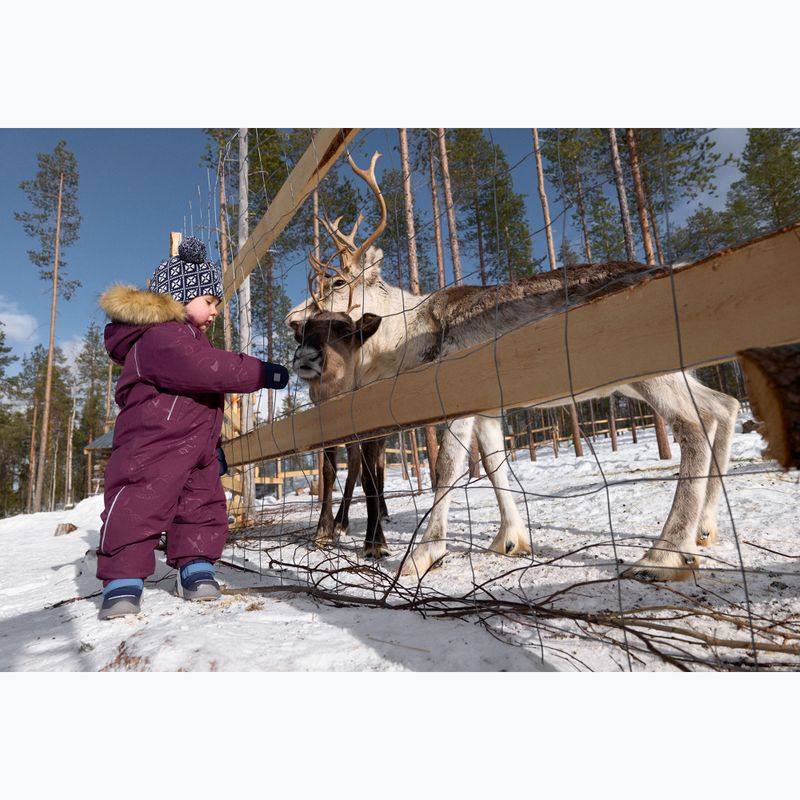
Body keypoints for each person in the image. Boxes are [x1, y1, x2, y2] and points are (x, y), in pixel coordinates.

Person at [95, 237, 289, 620]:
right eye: (209, 301)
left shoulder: (186, 337)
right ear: (179, 298)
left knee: (202, 505)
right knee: (138, 504)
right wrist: (261, 372)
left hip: (194, 447)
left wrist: (208, 445)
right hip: (154, 444)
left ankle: (196, 566)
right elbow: (205, 369)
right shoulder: (160, 337)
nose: (215, 310)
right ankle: (122, 579)